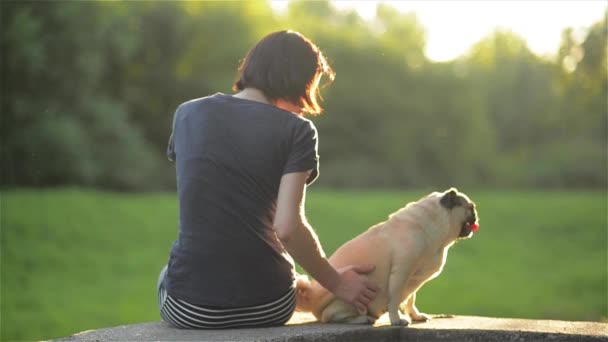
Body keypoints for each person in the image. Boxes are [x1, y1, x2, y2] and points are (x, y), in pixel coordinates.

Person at [157, 30, 378, 329]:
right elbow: (287, 227)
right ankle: (302, 287)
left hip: (188, 309)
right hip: (270, 306)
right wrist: (338, 283)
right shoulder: (298, 130)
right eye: (311, 83)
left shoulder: (187, 114)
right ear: (297, 79)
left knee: (168, 272)